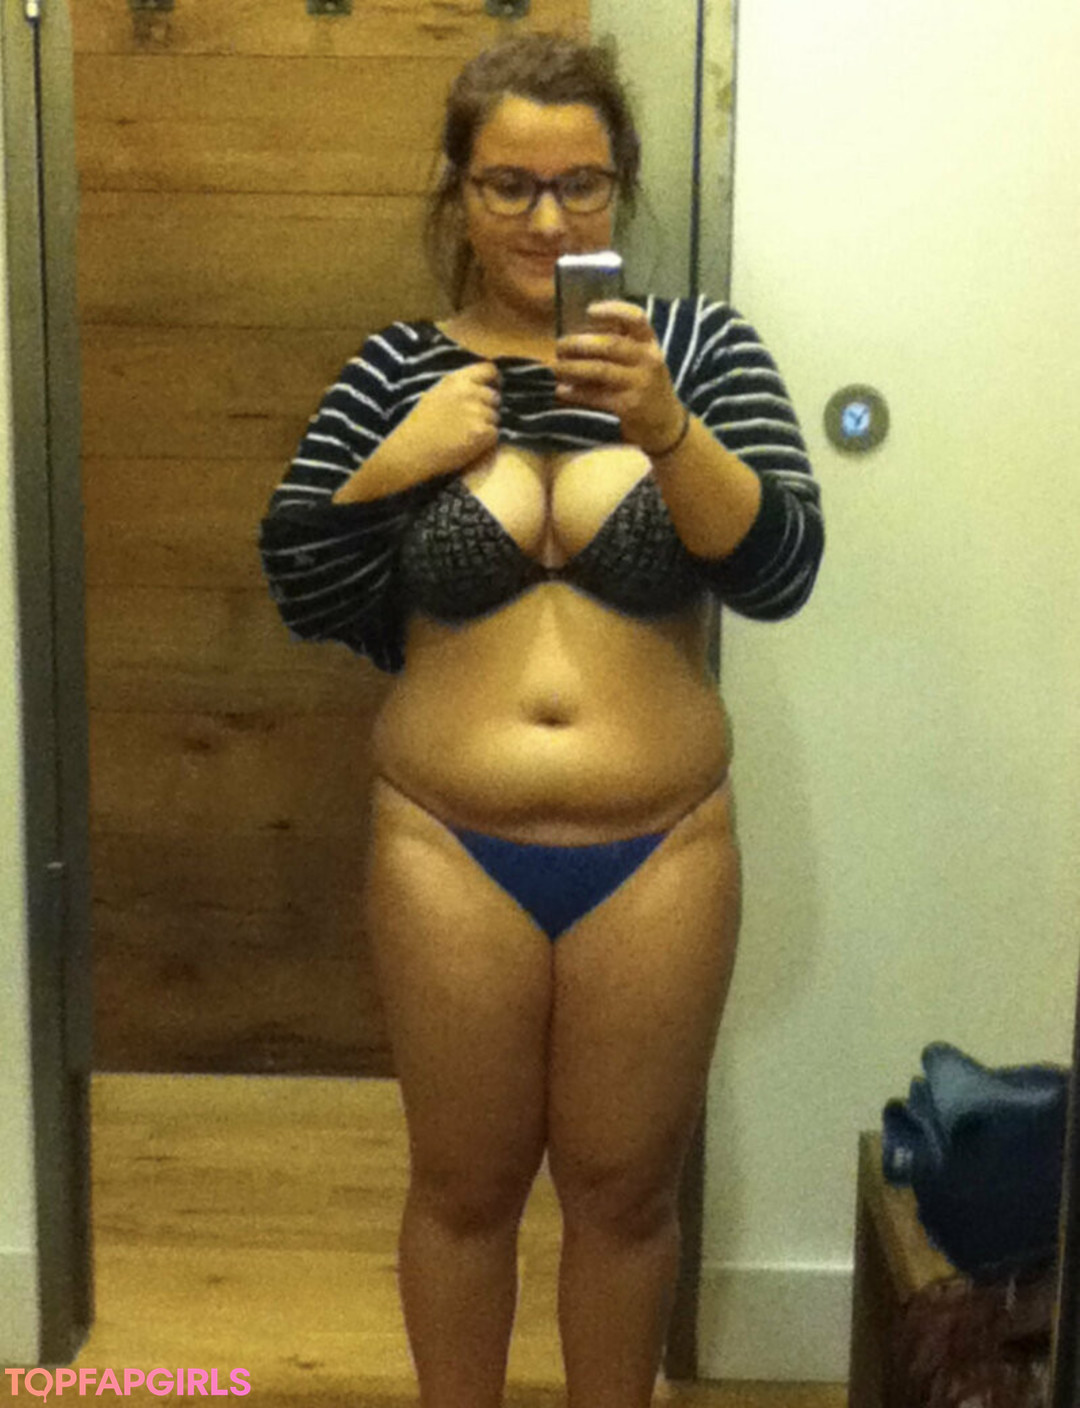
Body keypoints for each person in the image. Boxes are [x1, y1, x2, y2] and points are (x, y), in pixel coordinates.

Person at [259, 32, 823, 1408]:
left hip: (663, 848)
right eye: (509, 185)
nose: (547, 218)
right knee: (462, 1190)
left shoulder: (699, 351)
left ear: (621, 186)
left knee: (626, 1195)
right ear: (458, 193)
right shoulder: (398, 368)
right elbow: (303, 586)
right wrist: (398, 463)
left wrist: (666, 428)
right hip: (444, 847)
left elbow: (781, 572)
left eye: (580, 184)